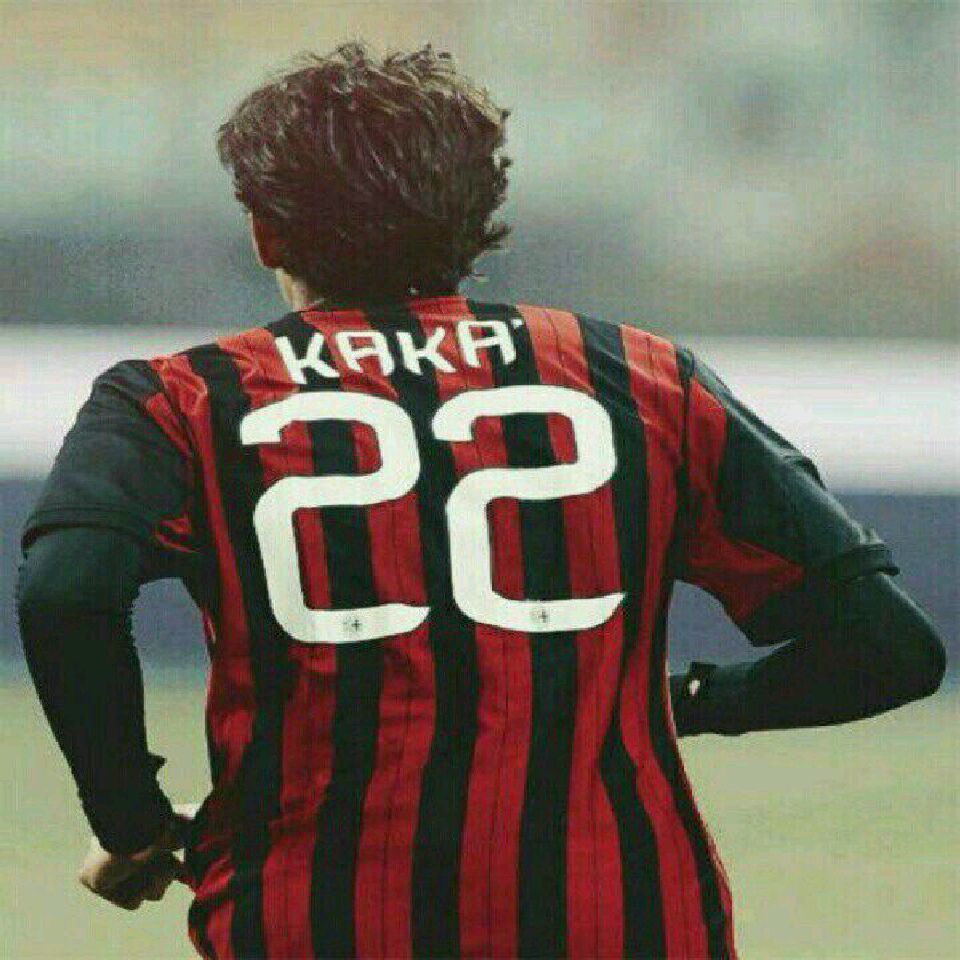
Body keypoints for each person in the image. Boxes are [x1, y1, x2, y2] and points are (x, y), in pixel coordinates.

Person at [17, 42, 945, 960]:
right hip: (620, 923)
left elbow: (66, 592)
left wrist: (133, 820)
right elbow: (889, 649)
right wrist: (681, 703)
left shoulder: (178, 402)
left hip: (311, 921)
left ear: (266, 232)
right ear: (480, 218)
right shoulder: (646, 381)